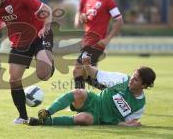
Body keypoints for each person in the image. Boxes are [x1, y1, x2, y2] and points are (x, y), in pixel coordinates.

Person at [28, 53, 156, 126]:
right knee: (78, 92)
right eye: (132, 77)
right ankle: (47, 113)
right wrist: (87, 65)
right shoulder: (122, 79)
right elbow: (96, 73)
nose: (131, 80)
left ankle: (43, 122)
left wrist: (125, 125)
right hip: (93, 100)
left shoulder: (139, 106)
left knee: (84, 119)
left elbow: (125, 122)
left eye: (136, 80)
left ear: (144, 86)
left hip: (98, 117)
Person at [73, 0, 124, 89]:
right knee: (87, 75)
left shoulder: (108, 0)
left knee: (77, 70)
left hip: (96, 43)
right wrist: (83, 18)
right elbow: (87, 21)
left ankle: (79, 100)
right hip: (87, 41)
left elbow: (119, 20)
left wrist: (107, 39)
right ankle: (111, 93)